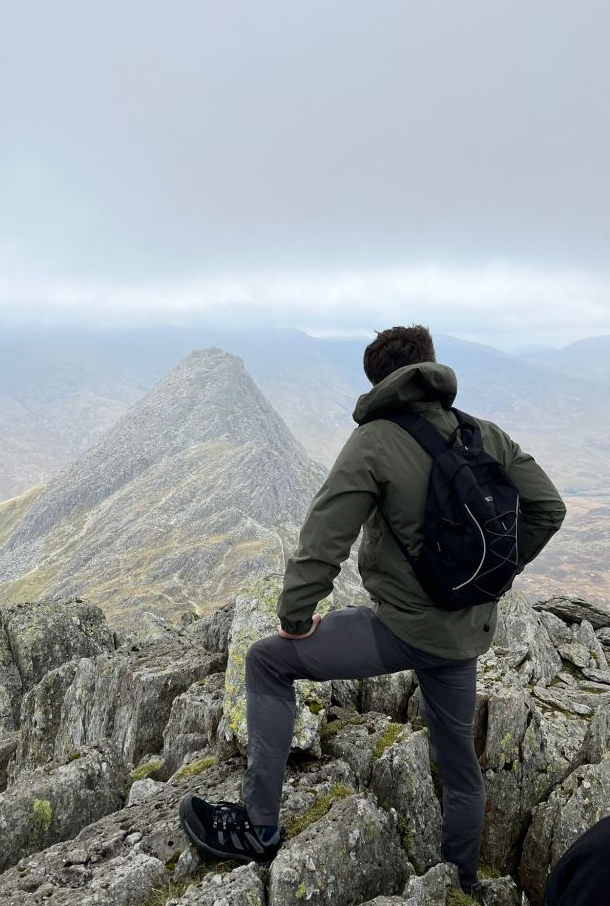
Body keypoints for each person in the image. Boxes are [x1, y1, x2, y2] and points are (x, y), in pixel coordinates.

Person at [179, 324, 566, 894]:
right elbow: (548, 509)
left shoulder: (375, 442)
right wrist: (492, 579)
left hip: (401, 629)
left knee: (266, 662)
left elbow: (323, 538)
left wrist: (295, 616)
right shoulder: (482, 434)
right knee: (460, 766)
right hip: (463, 634)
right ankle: (459, 882)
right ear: (430, 368)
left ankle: (259, 828)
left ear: (377, 380)